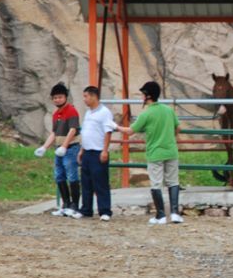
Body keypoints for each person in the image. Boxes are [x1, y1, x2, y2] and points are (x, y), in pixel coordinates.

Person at [115, 81, 183, 224]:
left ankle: (161, 214)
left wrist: (116, 127)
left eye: (143, 94)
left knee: (156, 184)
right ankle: (175, 213)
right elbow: (178, 128)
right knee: (173, 182)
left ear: (148, 96)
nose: (141, 97)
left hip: (155, 153)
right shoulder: (168, 110)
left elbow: (130, 131)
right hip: (171, 151)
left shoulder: (146, 114)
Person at [34, 82, 82, 218]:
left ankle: (75, 206)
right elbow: (54, 133)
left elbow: (73, 130)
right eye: (55, 98)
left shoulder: (71, 111)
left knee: (72, 175)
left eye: (60, 97)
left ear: (66, 97)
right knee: (59, 176)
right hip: (59, 149)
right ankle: (65, 204)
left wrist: (65, 146)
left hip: (71, 148)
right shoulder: (56, 114)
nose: (57, 100)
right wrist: (44, 147)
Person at [77, 86, 115, 221]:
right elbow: (86, 132)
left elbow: (107, 132)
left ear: (93, 96)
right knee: (86, 182)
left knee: (101, 183)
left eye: (86, 96)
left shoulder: (104, 112)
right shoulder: (88, 113)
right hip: (87, 151)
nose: (84, 99)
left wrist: (105, 150)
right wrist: (81, 150)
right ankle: (86, 209)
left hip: (98, 151)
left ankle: (105, 210)